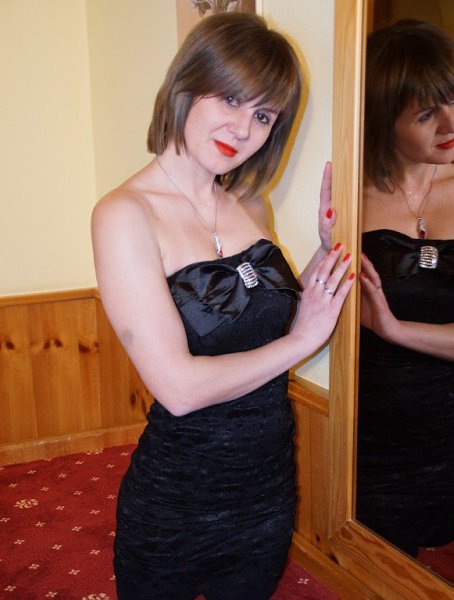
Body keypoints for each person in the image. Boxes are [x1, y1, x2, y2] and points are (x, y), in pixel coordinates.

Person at [91, 12, 354, 600]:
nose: (243, 128)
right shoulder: (125, 214)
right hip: (176, 502)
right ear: (186, 85)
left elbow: (268, 321)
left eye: (264, 115)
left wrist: (325, 247)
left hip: (267, 488)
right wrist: (301, 343)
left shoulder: (251, 204)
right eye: (231, 99)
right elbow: (178, 389)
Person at [356, 19, 454, 558]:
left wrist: (395, 329)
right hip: (377, 437)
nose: (450, 123)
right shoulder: (350, 198)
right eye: (425, 113)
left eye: (453, 100)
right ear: (383, 120)